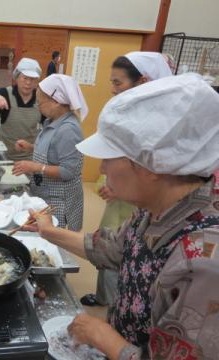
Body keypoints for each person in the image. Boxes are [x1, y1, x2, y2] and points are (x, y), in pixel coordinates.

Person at [26, 73, 219, 359]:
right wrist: (47, 230)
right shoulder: (153, 209)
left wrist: (105, 338)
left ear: (153, 165)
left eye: (109, 158)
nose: (102, 169)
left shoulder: (204, 262)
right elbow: (114, 248)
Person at [82, 51, 173, 307]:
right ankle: (108, 301)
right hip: (124, 211)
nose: (112, 89)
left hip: (136, 211)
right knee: (113, 247)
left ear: (142, 82)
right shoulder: (127, 115)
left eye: (117, 82)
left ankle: (113, 305)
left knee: (127, 264)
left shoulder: (159, 128)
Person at [12, 74, 87, 231]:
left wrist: (34, 167)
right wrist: (31, 147)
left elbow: (68, 171)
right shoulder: (52, 121)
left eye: (40, 102)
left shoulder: (68, 129)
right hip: (44, 193)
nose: (38, 106)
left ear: (56, 101)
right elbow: (53, 152)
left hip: (58, 200)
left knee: (53, 237)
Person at [0, 57, 42, 160]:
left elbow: (50, 127)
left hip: (28, 156)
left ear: (37, 81)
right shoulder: (6, 94)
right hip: (2, 153)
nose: (28, 83)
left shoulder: (41, 98)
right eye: (25, 78)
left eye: (32, 79)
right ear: (17, 77)